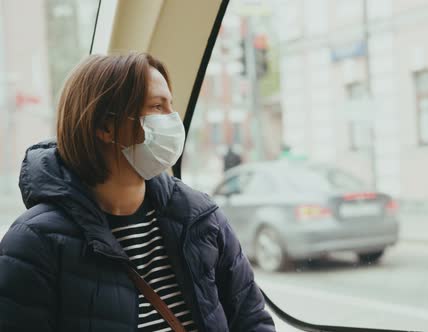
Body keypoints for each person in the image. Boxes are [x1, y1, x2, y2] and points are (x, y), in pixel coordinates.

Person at [0, 53, 275, 332]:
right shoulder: (34, 245)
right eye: (157, 106)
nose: (172, 120)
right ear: (106, 127)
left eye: (171, 105)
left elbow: (251, 320)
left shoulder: (200, 218)